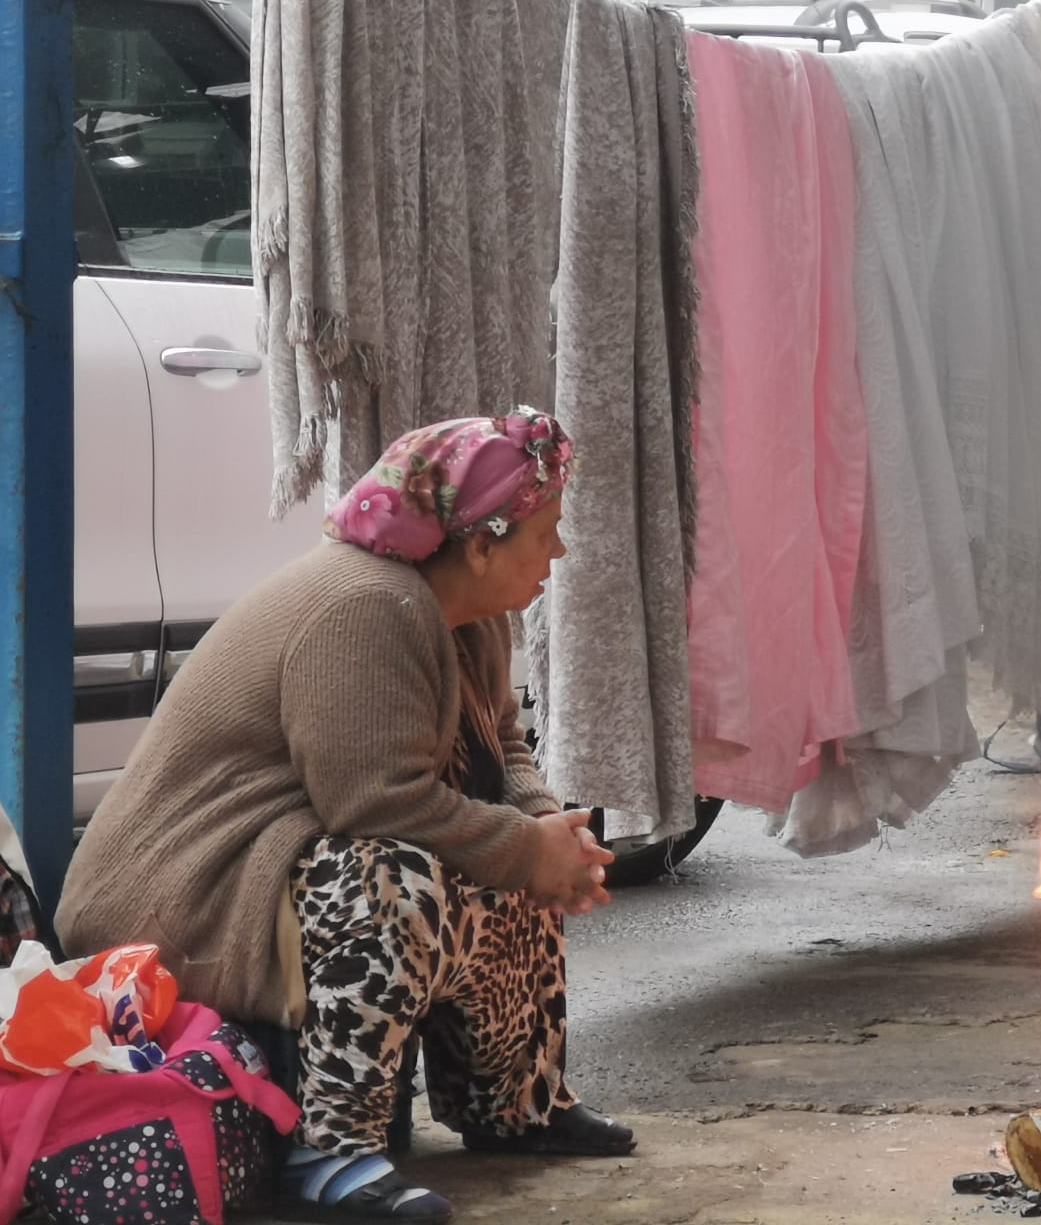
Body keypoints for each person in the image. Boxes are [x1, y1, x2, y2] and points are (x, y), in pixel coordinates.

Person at [56, 412, 631, 1225]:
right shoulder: (367, 606)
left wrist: (548, 829)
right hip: (182, 898)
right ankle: (332, 1148)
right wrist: (525, 848)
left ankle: (518, 1109)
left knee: (513, 859)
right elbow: (373, 802)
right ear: (481, 545)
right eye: (547, 534)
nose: (558, 556)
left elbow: (502, 741)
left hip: (272, 870)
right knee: (394, 877)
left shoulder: (473, 618)